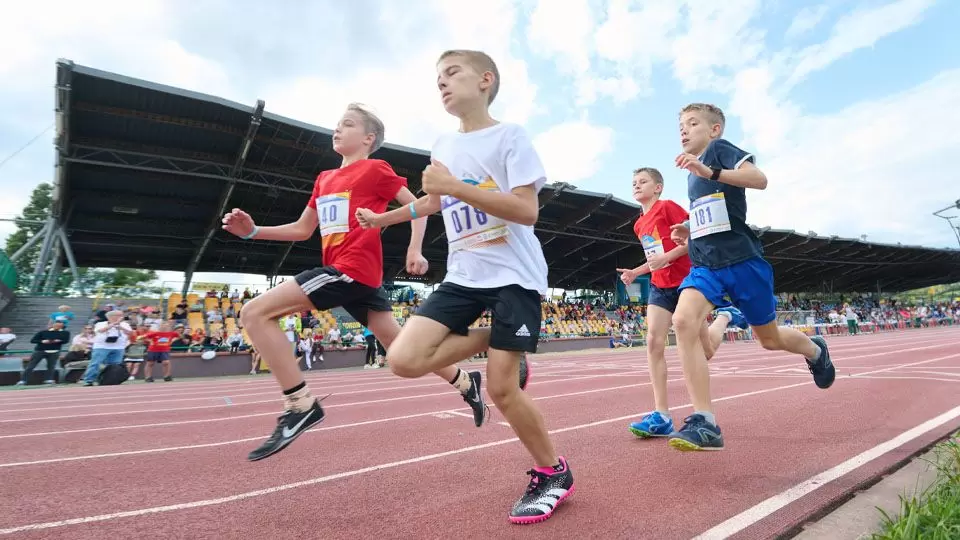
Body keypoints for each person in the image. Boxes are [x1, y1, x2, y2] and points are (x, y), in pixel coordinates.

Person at [222, 103, 528, 462]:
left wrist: (415, 250)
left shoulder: (375, 169)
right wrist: (254, 232)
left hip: (352, 270)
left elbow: (420, 206)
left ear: (369, 138)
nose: (337, 130)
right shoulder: (323, 180)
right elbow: (304, 229)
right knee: (399, 346)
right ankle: (466, 382)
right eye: (336, 124)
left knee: (254, 313)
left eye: (347, 124)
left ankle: (300, 403)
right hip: (349, 275)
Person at [356, 49, 572, 524]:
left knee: (501, 388)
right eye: (437, 80)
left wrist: (455, 187)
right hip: (463, 275)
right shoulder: (443, 146)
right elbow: (431, 202)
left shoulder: (510, 137)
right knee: (403, 359)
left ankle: (552, 473)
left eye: (452, 74)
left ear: (486, 81)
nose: (442, 84)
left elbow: (525, 210)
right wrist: (383, 219)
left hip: (514, 276)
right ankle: (502, 349)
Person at [667, 103, 836, 451]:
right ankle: (705, 422)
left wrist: (710, 171)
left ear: (714, 129)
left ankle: (815, 350)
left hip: (743, 262)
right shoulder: (691, 175)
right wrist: (689, 228)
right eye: (680, 126)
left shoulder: (719, 151)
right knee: (683, 320)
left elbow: (759, 180)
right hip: (706, 265)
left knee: (769, 339)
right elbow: (715, 214)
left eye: (692, 123)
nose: (684, 131)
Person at [616, 166, 748, 438]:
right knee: (653, 341)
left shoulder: (667, 208)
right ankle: (662, 415)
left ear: (658, 187)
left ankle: (725, 317)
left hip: (688, 282)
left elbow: (697, 237)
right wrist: (635, 272)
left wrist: (668, 257)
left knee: (707, 351)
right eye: (634, 182)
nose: (637, 186)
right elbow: (655, 257)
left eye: (643, 181)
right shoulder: (638, 224)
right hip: (660, 286)